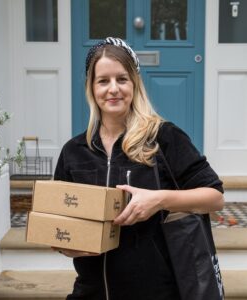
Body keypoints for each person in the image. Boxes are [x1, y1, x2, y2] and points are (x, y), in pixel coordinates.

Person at [53, 37, 224, 300]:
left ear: (135, 84)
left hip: (156, 292)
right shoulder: (74, 151)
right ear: (91, 87)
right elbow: (59, 222)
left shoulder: (164, 138)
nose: (113, 89)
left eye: (122, 79)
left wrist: (160, 200)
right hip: (91, 292)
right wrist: (66, 245)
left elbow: (215, 197)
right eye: (103, 81)